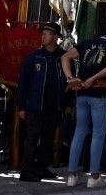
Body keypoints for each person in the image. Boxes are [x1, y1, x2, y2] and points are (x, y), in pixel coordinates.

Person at [61, 23, 106, 189]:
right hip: (100, 93)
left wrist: (70, 78)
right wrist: (94, 78)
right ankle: (94, 176)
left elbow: (64, 57)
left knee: (79, 131)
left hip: (81, 93)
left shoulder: (86, 43)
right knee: (99, 133)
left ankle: (72, 175)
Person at [17, 22, 68, 181]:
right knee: (32, 138)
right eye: (43, 33)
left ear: (55, 37)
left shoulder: (64, 57)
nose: (43, 36)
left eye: (47, 34)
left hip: (54, 105)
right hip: (35, 105)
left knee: (48, 138)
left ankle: (41, 167)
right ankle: (26, 171)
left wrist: (67, 104)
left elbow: (69, 82)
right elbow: (23, 82)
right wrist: (21, 106)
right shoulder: (34, 57)